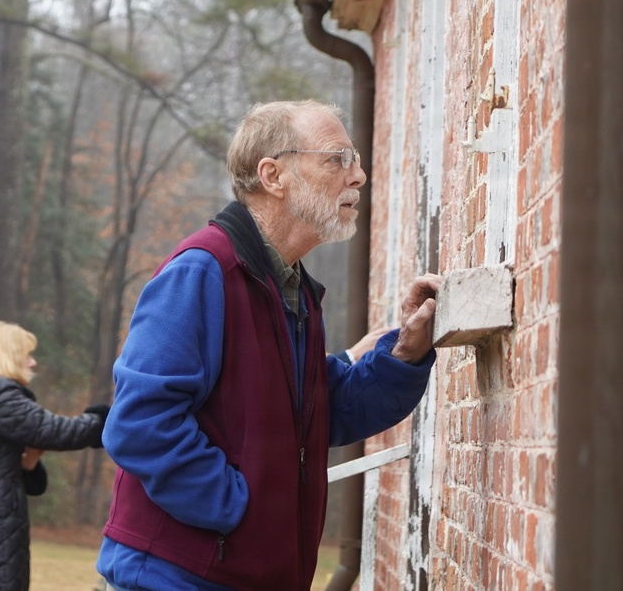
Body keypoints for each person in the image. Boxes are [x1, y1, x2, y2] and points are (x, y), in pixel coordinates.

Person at [96, 99, 442, 591]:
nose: (359, 175)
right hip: (176, 578)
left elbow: (322, 409)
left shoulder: (293, 288)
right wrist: (238, 508)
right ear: (273, 175)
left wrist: (404, 352)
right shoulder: (202, 271)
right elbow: (139, 423)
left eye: (357, 159)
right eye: (337, 158)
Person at [0, 321, 110, 591]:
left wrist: (28, 465)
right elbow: (55, 431)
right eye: (26, 354)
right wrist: (104, 419)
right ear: (6, 355)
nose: (33, 362)